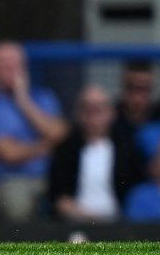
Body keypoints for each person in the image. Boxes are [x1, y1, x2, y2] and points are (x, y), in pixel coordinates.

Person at [0, 40, 69, 222]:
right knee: (17, 201)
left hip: (54, 177)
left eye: (14, 63)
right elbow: (9, 154)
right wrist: (46, 145)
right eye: (2, 63)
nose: (9, 68)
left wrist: (23, 101)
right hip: (10, 181)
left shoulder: (44, 97)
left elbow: (60, 135)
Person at [48, 84, 144, 223]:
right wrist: (90, 220)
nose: (92, 116)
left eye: (98, 109)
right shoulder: (66, 149)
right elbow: (58, 197)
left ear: (111, 112)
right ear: (78, 113)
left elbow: (138, 190)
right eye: (86, 109)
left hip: (119, 224)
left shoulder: (126, 148)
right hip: (76, 224)